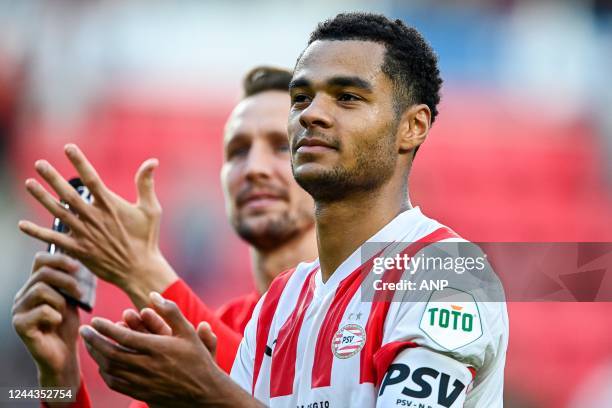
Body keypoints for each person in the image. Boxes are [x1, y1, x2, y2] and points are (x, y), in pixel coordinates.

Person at [27, 12, 510, 407]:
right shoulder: (278, 307)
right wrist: (57, 380)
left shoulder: (446, 273)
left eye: (347, 97)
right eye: (301, 99)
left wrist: (208, 393)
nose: (311, 114)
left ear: (413, 127)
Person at [12, 66, 317, 406]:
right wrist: (61, 380)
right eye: (238, 151)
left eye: (280, 146)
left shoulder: (370, 298)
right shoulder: (200, 333)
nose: (254, 167)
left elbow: (278, 391)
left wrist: (142, 271)